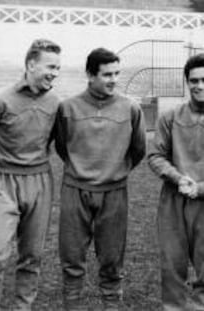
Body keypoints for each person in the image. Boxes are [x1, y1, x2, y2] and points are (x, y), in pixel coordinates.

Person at [54, 47, 146, 311]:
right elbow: (63, 146)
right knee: (72, 258)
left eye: (117, 73)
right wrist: (81, 168)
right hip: (75, 190)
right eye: (107, 74)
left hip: (114, 191)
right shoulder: (67, 107)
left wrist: (114, 170)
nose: (113, 79)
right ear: (90, 75)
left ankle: (111, 305)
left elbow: (138, 149)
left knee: (112, 258)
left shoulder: (130, 108)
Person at [0, 38, 62, 311]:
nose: (54, 73)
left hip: (39, 182)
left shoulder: (56, 102)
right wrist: (2, 164)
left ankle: (23, 306)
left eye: (58, 68)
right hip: (4, 181)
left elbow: (56, 141)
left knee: (32, 254)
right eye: (50, 66)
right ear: (31, 64)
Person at [148, 53, 204, 311]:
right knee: (172, 267)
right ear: (187, 82)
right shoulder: (170, 117)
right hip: (174, 200)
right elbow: (156, 155)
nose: (199, 86)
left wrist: (200, 188)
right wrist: (178, 177)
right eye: (194, 80)